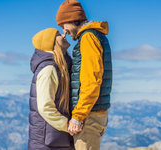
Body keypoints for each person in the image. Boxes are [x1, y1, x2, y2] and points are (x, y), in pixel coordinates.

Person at [56, 0, 113, 149]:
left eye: (64, 25)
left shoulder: (88, 38)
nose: (64, 32)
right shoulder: (95, 36)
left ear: (71, 19)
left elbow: (92, 80)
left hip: (89, 116)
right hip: (95, 112)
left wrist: (78, 116)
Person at [28, 28, 75, 150]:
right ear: (51, 42)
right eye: (58, 34)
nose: (64, 35)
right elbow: (45, 107)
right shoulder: (49, 69)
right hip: (49, 143)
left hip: (55, 139)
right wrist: (68, 125)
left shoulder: (61, 67)